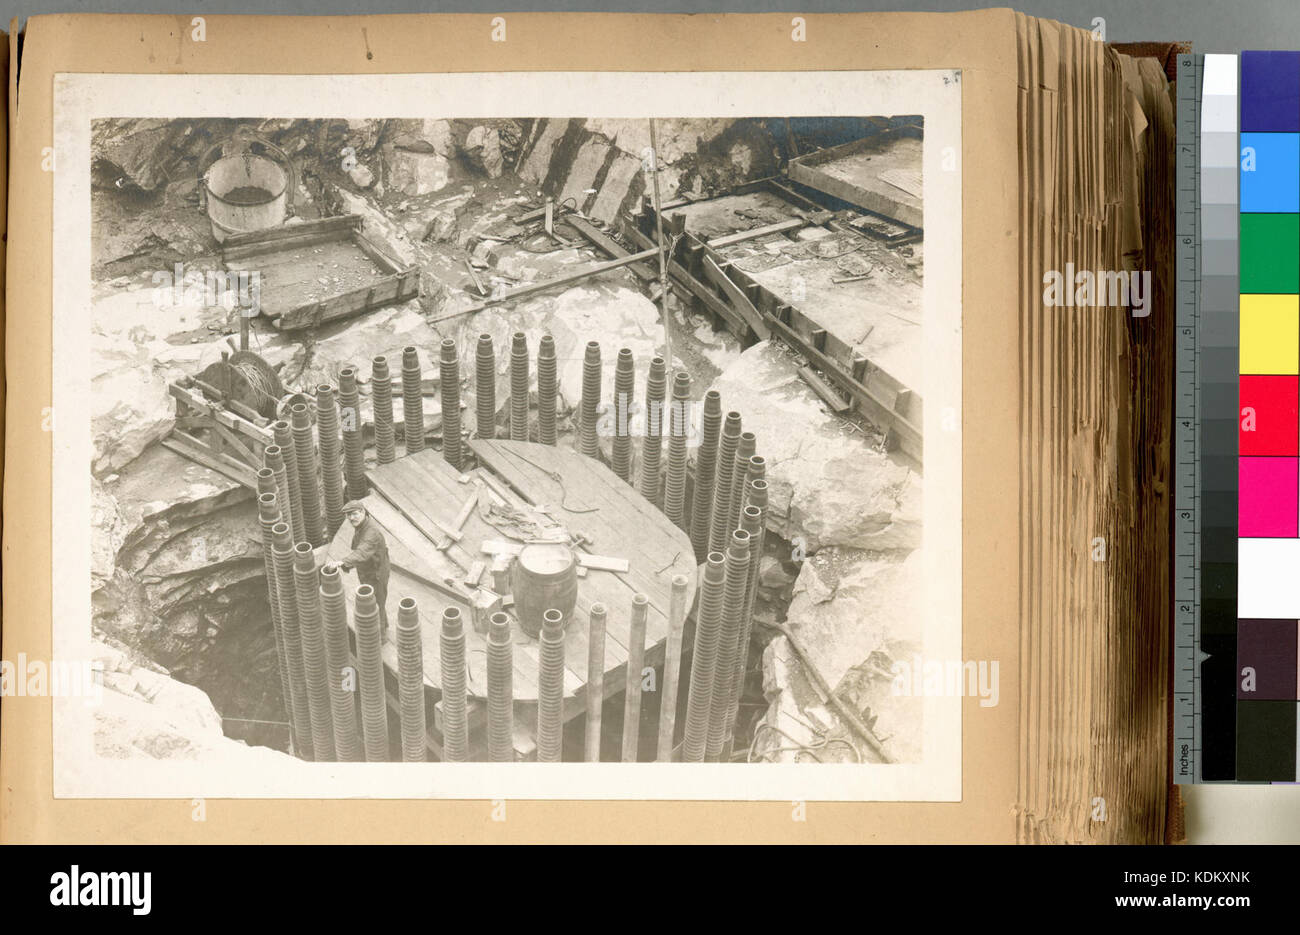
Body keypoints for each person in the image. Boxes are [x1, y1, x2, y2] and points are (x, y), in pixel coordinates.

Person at [338, 500, 391, 633]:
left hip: (377, 574)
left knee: (376, 604)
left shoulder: (371, 532)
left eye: (354, 514)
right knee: (377, 601)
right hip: (368, 571)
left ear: (363, 512)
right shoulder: (362, 526)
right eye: (349, 515)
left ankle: (381, 637)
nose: (351, 518)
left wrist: (343, 562)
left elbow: (362, 551)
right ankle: (384, 626)